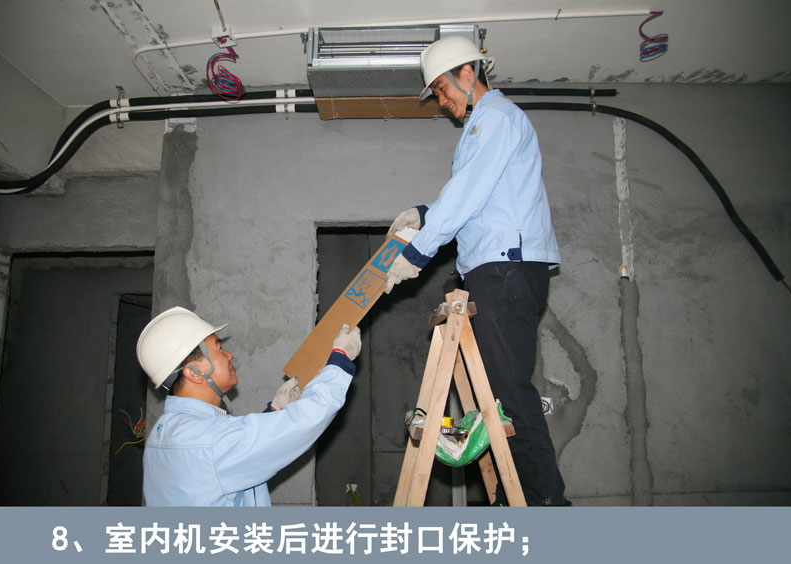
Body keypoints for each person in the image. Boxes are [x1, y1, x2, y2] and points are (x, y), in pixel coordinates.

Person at [385, 36, 569, 506]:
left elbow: (468, 193)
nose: (442, 101)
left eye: (443, 89)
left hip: (506, 269)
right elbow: (476, 197)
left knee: (509, 395)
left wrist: (418, 253)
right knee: (498, 399)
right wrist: (424, 214)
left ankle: (545, 504)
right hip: (497, 270)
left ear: (468, 73)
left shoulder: (497, 119)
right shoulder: (483, 128)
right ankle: (514, 496)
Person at [136, 306, 361, 506]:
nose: (230, 355)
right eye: (219, 349)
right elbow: (305, 421)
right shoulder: (210, 441)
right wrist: (340, 358)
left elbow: (234, 458)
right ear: (194, 373)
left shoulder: (161, 434)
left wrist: (274, 411)